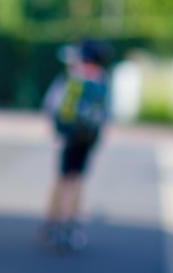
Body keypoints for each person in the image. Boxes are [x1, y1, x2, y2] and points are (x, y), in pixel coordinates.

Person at [41, 39, 111, 250]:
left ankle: (55, 222)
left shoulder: (73, 76)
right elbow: (107, 111)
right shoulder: (102, 79)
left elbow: (51, 103)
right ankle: (72, 223)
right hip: (89, 136)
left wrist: (57, 126)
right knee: (78, 179)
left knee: (64, 178)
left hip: (70, 134)